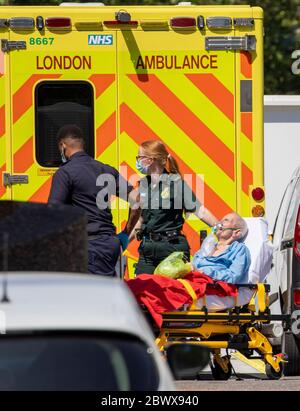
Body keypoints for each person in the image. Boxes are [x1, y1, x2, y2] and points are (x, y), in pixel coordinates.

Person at [48, 124, 140, 277]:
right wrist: (125, 233)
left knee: (86, 297)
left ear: (62, 145)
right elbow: (137, 200)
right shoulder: (106, 170)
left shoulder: (65, 173)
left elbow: (53, 212)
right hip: (109, 245)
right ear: (82, 144)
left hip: (84, 247)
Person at [131, 140, 218, 275]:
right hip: (147, 249)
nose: (137, 161)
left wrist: (220, 228)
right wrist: (122, 240)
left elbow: (199, 210)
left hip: (172, 249)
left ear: (150, 160)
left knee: (171, 294)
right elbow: (140, 220)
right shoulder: (143, 185)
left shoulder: (176, 183)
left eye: (139, 157)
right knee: (141, 291)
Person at [192, 212, 251, 283]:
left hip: (213, 288)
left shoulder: (239, 249)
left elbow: (233, 276)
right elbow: (194, 265)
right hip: (194, 282)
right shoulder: (209, 246)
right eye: (221, 220)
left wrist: (205, 273)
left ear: (237, 232)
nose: (219, 223)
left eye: (226, 220)